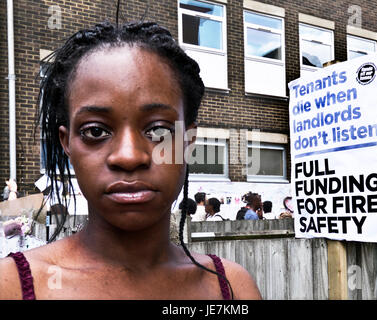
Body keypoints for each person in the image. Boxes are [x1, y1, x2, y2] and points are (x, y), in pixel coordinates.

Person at [0, 20, 261, 300]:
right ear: (67, 143)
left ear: (188, 140)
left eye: (158, 130)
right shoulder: (12, 286)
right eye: (96, 131)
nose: (128, 156)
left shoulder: (231, 287)